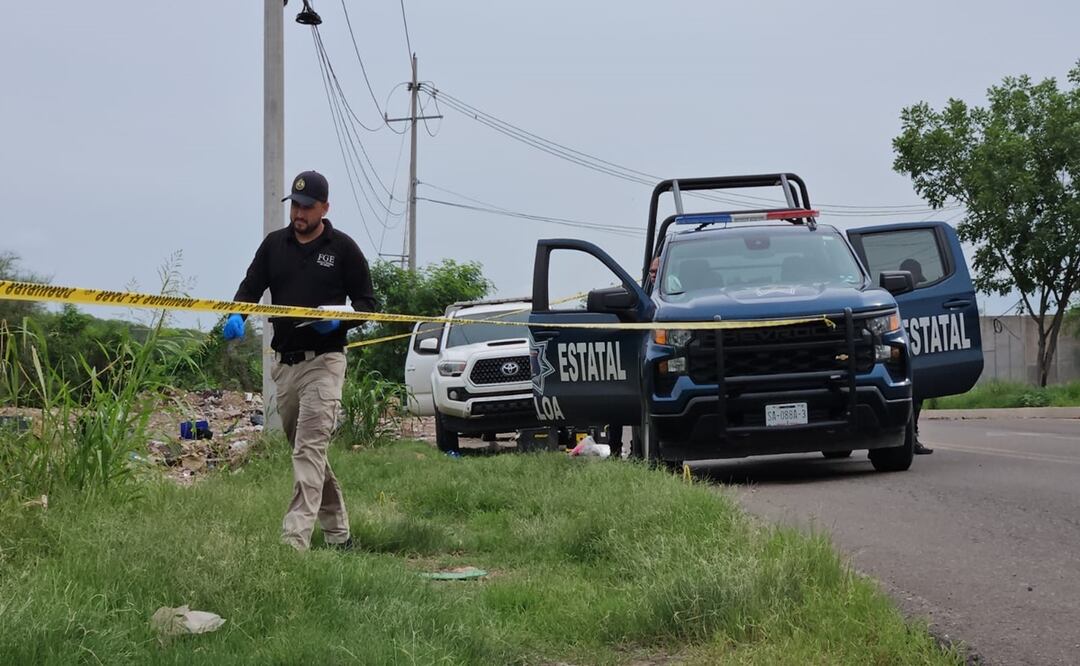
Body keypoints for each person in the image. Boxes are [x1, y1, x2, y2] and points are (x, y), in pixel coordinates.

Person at [225, 170, 377, 551]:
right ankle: (340, 536)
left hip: (324, 363)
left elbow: (368, 305)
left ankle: (294, 542)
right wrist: (237, 315)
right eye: (295, 205)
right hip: (285, 366)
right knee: (308, 451)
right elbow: (250, 286)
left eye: (307, 207)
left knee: (308, 449)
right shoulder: (274, 246)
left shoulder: (343, 249)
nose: (299, 213)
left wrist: (341, 318)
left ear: (325, 208)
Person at [898, 258, 932, 454]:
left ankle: (912, 437)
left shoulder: (913, 296)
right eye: (917, 278)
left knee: (917, 396)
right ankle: (908, 438)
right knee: (912, 397)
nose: (919, 283)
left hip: (915, 356)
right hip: (902, 358)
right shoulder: (900, 297)